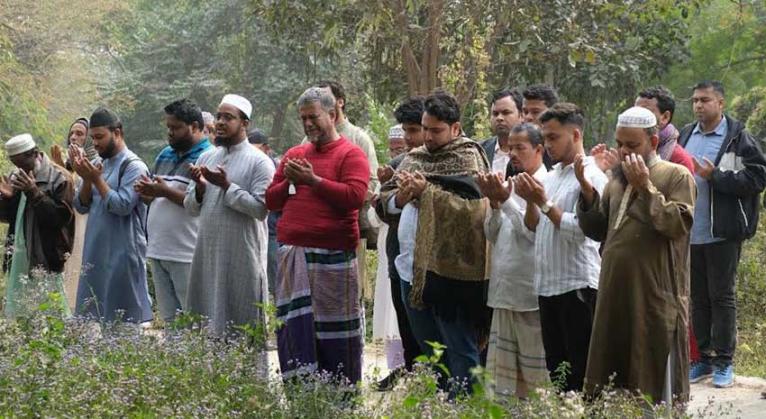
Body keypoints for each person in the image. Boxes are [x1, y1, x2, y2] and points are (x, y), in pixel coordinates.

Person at [577, 106, 696, 404]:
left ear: (653, 142)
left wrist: (646, 188)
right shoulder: (616, 181)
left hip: (654, 294)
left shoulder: (676, 175)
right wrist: (587, 191)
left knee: (652, 375)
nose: (624, 151)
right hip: (614, 292)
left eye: (633, 145)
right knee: (611, 370)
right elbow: (598, 229)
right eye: (620, 144)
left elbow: (678, 224)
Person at [378, 90, 490, 395]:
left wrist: (426, 193)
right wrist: (401, 197)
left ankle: (467, 407)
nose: (427, 136)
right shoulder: (413, 158)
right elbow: (384, 200)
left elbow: (474, 210)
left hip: (451, 272)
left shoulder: (468, 157)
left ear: (455, 128)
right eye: (425, 128)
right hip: (410, 269)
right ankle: (438, 403)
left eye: (436, 130)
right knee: (429, 348)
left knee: (459, 346)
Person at [266, 87, 369, 384]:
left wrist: (313, 180)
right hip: (293, 256)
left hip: (333, 260)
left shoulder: (351, 153)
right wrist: (290, 180)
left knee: (334, 332)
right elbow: (271, 201)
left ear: (333, 115)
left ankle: (339, 397)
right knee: (294, 330)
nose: (308, 124)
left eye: (314, 117)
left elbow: (355, 196)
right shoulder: (295, 155)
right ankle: (301, 396)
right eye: (303, 118)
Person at [515, 103, 607, 392]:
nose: (547, 144)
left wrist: (543, 202)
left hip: (576, 284)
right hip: (547, 285)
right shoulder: (551, 177)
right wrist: (530, 199)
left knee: (581, 370)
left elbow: (583, 232)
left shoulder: (593, 177)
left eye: (554, 137)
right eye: (545, 138)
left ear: (576, 135)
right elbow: (532, 227)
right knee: (558, 371)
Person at [681, 80, 766, 388]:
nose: (699, 105)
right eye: (694, 100)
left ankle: (724, 362)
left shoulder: (738, 137)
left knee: (722, 297)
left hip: (723, 232)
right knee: (699, 299)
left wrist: (714, 176)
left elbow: (757, 178)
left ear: (721, 103)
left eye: (705, 100)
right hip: (690, 232)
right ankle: (702, 359)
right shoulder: (686, 135)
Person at [183, 94, 275, 336]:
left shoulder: (260, 163)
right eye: (219, 116)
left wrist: (226, 186)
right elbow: (191, 207)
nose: (221, 122)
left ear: (245, 123)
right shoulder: (206, 158)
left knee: (241, 328)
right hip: (208, 256)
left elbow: (260, 209)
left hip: (242, 259)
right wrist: (201, 190)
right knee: (205, 327)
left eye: (228, 117)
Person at [477, 123, 549, 398]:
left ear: (539, 149)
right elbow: (491, 234)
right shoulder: (508, 183)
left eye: (521, 148)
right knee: (503, 382)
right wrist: (494, 205)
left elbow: (533, 235)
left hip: (529, 295)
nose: (514, 154)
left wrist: (505, 202)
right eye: (510, 148)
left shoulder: (546, 183)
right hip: (503, 292)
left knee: (536, 378)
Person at [134, 99, 212, 324]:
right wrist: (146, 192)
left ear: (196, 127)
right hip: (159, 249)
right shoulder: (164, 155)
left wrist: (163, 191)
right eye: (168, 127)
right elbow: (156, 197)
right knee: (169, 320)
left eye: (176, 128)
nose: (170, 133)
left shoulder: (207, 157)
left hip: (187, 252)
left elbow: (199, 203)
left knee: (193, 319)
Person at [71, 107, 152, 323]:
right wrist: (87, 179)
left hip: (122, 255)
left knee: (123, 325)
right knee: (92, 319)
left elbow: (122, 205)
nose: (95, 144)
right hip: (96, 253)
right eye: (92, 138)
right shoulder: (99, 164)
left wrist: (97, 179)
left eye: (100, 137)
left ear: (117, 132)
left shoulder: (134, 167)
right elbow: (80, 205)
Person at [374, 97, 426, 391]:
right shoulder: (396, 165)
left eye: (414, 130)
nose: (408, 138)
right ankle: (410, 379)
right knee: (406, 325)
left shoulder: (448, 162)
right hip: (398, 258)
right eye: (405, 130)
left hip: (432, 266)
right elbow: (383, 208)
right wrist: (392, 195)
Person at [0, 134, 74, 317]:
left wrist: (33, 192)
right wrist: (6, 199)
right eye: (15, 164)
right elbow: (10, 218)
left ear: (34, 153)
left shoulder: (59, 177)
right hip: (19, 256)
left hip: (46, 257)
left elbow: (60, 219)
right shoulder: (15, 176)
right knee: (20, 313)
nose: (20, 169)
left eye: (23, 164)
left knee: (52, 314)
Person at [51, 118, 97, 310]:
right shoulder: (65, 164)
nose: (74, 137)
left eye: (79, 134)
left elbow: (81, 196)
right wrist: (61, 167)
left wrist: (62, 169)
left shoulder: (94, 163)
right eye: (71, 133)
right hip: (66, 227)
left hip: (85, 225)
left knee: (81, 269)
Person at [247, 128, 280, 297]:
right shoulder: (248, 165)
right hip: (252, 230)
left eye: (255, 148)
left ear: (266, 148)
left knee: (275, 274)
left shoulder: (277, 168)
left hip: (274, 231)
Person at [635, 86, 695, 173]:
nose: (636, 117)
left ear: (665, 117)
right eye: (634, 111)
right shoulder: (627, 147)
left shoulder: (680, 161)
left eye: (644, 112)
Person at [480, 89, 524, 175]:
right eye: (495, 114)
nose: (499, 118)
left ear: (521, 115)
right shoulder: (480, 150)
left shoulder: (533, 151)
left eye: (506, 113)